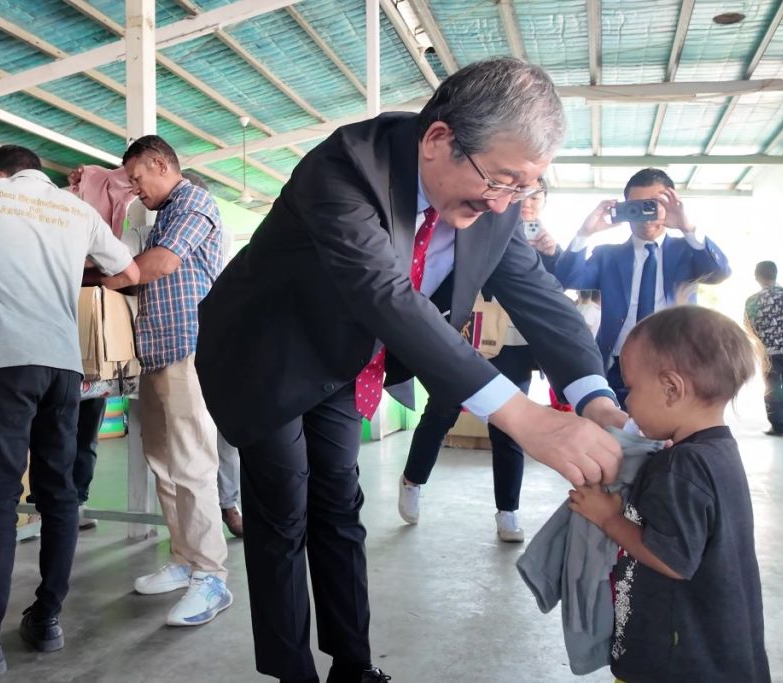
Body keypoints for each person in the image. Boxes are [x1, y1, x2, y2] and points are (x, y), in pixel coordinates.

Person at [196, 57, 626, 683]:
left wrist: (595, 401)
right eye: (501, 180)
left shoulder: (496, 204)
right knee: (284, 511)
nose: (505, 201)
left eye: (523, 187)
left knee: (340, 506)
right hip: (269, 357)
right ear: (438, 141)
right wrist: (525, 418)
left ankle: (353, 665)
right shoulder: (343, 168)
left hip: (343, 361)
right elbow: (385, 296)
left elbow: (539, 298)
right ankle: (292, 673)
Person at [0, 145, 139, 679]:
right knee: (60, 493)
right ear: (40, 173)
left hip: (3, 362)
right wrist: (68, 289)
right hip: (63, 365)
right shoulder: (77, 209)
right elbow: (129, 270)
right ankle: (46, 619)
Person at [570, 305, 771, 683]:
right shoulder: (718, 452)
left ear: (671, 388)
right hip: (719, 650)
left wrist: (608, 517)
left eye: (631, 388)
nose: (626, 402)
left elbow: (674, 559)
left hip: (676, 660)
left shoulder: (680, 468)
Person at [397, 179, 557, 542]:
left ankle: (508, 511)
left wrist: (551, 253)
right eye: (523, 196)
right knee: (441, 412)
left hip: (514, 348)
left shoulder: (545, 245)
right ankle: (413, 480)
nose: (528, 204)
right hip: (467, 338)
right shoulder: (481, 226)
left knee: (508, 428)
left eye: (536, 198)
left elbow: (553, 297)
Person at [121, 136, 232, 627]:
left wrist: (105, 279)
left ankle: (212, 577)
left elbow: (161, 263)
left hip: (188, 349)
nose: (134, 188)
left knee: (191, 462)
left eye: (137, 178)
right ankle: (185, 559)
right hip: (156, 353)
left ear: (161, 164)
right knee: (163, 463)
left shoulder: (193, 202)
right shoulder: (160, 214)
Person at [539, 168, 731, 407]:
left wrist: (687, 227)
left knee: (671, 439)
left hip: (676, 362)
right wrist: (584, 233)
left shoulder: (687, 251)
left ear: (670, 204)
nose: (645, 214)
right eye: (636, 206)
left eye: (653, 204)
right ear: (624, 209)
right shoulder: (607, 255)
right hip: (619, 364)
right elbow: (566, 278)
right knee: (616, 435)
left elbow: (720, 273)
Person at [745, 261, 783, 436]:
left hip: (768, 353)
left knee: (772, 388)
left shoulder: (753, 301)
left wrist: (763, 340)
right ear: (776, 274)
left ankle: (778, 425)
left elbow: (749, 326)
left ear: (757, 277)